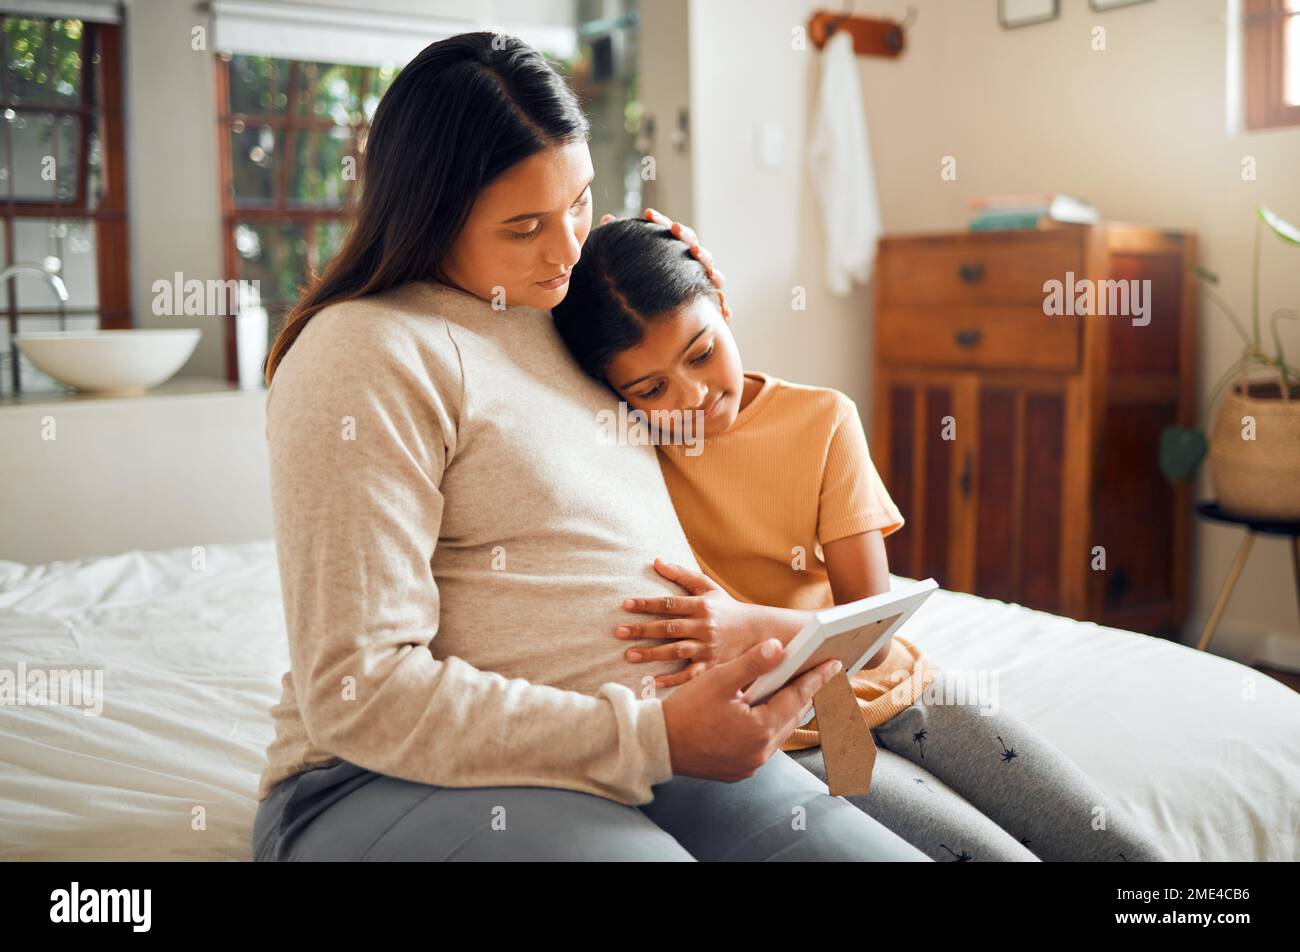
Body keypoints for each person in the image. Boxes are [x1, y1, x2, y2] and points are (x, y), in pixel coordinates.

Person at [250, 30, 928, 861]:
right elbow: (358, 692)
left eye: (579, 202)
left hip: (652, 749)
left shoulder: (560, 316)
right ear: (429, 215)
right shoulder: (365, 350)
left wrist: (677, 288)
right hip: (382, 778)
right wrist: (649, 737)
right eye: (526, 224)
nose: (568, 247)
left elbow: (692, 400)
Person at [550, 218, 1170, 862]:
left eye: (702, 353)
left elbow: (868, 636)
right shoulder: (623, 453)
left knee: (1112, 844)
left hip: (894, 683)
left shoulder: (822, 420)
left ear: (723, 303)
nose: (694, 396)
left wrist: (742, 625)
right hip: (795, 726)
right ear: (611, 394)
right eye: (652, 389)